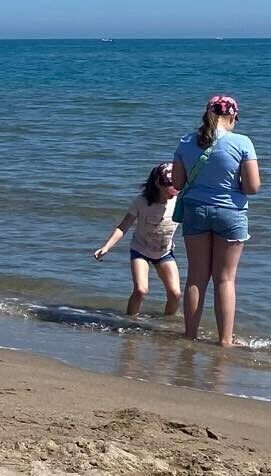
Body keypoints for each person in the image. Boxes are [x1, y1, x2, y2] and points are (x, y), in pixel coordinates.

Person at [170, 93, 260, 346]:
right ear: (231, 116)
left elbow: (177, 183)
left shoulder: (186, 141)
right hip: (230, 212)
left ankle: (190, 335)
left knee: (196, 277)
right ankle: (225, 341)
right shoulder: (242, 143)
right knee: (225, 279)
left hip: (195, 210)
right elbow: (252, 187)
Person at [93, 163, 182, 318]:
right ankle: (130, 321)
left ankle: (167, 324)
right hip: (140, 250)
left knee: (175, 293)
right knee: (141, 290)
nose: (172, 193)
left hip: (164, 252)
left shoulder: (179, 200)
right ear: (158, 184)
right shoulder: (142, 201)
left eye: (175, 187)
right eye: (169, 189)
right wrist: (106, 247)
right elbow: (123, 227)